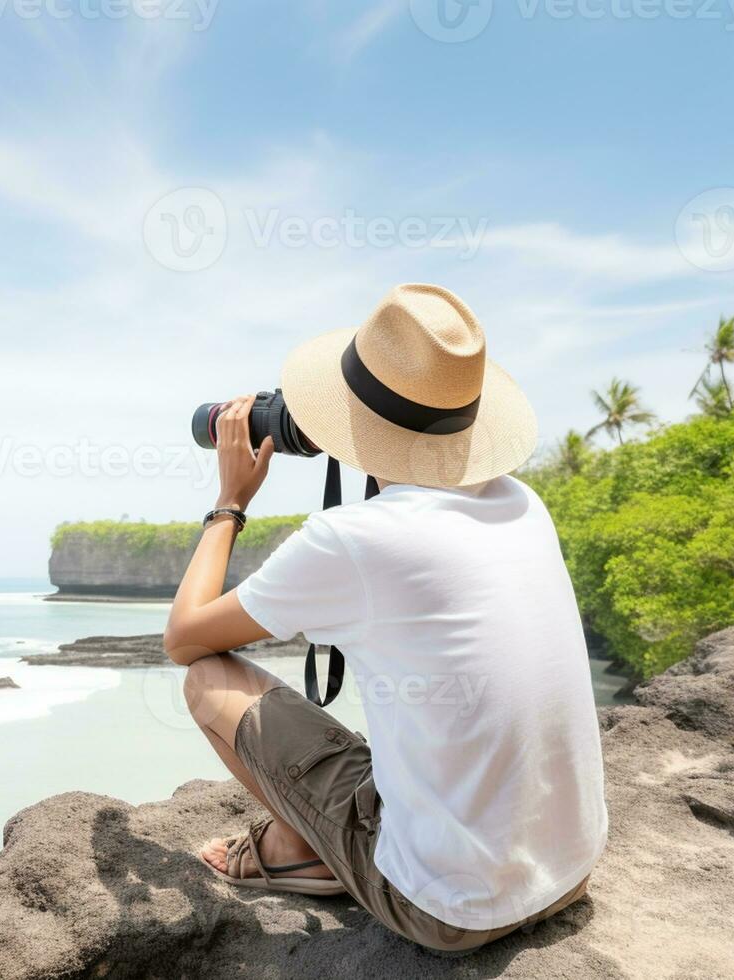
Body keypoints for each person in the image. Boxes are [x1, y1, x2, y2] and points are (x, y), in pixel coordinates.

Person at [163, 283, 607, 952]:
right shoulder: (521, 502)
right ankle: (317, 842)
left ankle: (301, 851)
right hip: (567, 872)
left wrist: (228, 501)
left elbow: (185, 638)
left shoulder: (354, 539)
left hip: (451, 910)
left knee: (208, 680)